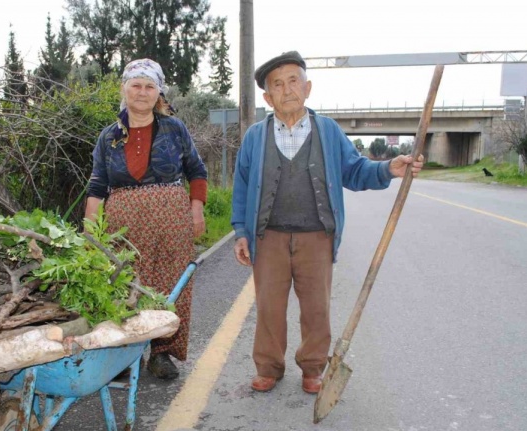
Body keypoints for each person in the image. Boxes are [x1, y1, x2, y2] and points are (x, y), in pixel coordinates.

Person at [231, 51, 424, 394]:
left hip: (316, 236)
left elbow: (354, 170)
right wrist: (241, 232)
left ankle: (313, 367)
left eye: (294, 80)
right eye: (278, 84)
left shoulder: (329, 131)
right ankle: (269, 367)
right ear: (267, 96)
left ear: (308, 87)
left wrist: (386, 169)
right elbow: (242, 188)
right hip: (269, 237)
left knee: (316, 308)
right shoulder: (255, 137)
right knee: (269, 308)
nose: (287, 89)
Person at [84, 58, 208, 379]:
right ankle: (124, 355)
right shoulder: (108, 136)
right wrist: (90, 231)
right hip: (122, 220)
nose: (142, 92)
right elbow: (97, 186)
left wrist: (197, 210)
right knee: (126, 282)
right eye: (136, 85)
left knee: (170, 284)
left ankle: (161, 353)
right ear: (124, 89)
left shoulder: (174, 129)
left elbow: (196, 171)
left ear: (159, 92)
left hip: (171, 217)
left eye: (149, 86)